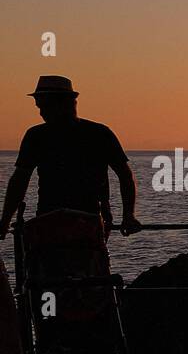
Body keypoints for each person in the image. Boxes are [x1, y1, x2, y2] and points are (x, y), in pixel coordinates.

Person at [0, 76, 142, 243]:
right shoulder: (37, 136)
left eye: (46, 106)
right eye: (40, 107)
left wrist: (128, 215)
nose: (42, 113)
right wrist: (5, 221)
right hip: (54, 219)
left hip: (85, 220)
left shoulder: (99, 134)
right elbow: (20, 180)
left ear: (66, 103)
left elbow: (125, 176)